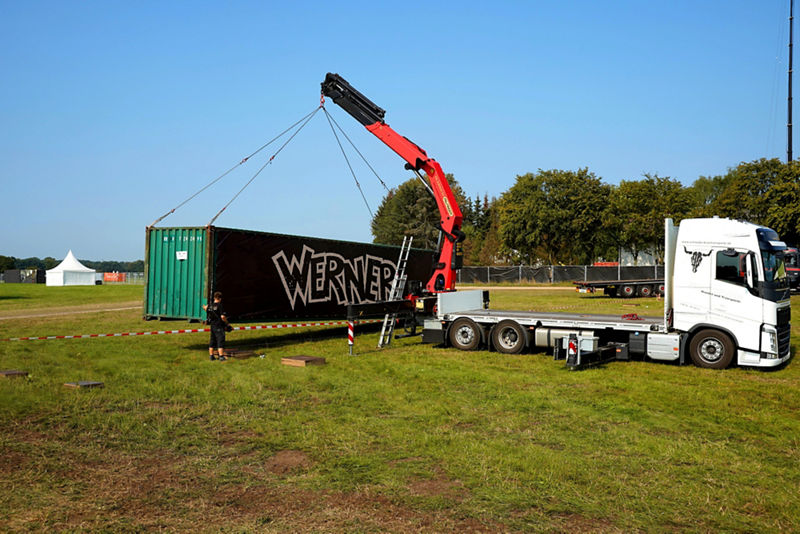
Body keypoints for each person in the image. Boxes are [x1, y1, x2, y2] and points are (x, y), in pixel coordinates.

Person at [203, 291, 230, 361]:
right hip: (219, 325)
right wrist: (227, 323)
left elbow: (207, 310)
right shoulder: (220, 305)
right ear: (220, 298)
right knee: (220, 340)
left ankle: (211, 356)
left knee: (212, 340)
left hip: (212, 326)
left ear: (214, 298)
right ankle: (221, 356)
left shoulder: (210, 305)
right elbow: (222, 317)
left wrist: (205, 308)